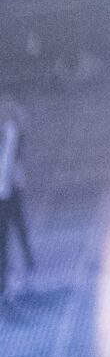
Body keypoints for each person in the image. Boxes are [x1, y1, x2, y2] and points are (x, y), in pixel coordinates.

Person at [0, 110, 33, 302]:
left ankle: (22, 270)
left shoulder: (10, 133)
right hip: (6, 193)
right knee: (7, 238)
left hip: (9, 193)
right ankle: (6, 280)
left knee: (16, 232)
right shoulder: (10, 133)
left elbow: (10, 161)